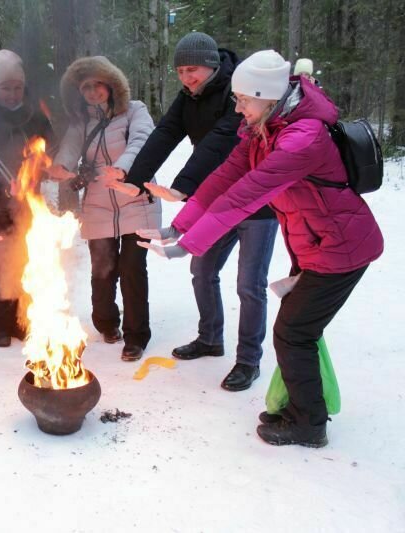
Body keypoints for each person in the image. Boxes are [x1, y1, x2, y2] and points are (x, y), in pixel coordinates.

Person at [138, 50, 383, 447]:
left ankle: (309, 424)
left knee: (294, 333)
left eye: (242, 100)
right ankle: (300, 408)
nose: (238, 108)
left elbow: (244, 196)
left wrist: (190, 245)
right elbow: (223, 179)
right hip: (319, 245)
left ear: (266, 97)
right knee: (296, 330)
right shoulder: (263, 129)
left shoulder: (301, 139)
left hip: (342, 249)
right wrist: (179, 225)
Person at [107, 32, 277, 392]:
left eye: (193, 70)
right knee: (202, 270)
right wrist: (136, 180)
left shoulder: (239, 92)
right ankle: (210, 338)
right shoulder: (188, 97)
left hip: (258, 203)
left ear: (212, 65)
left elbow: (220, 141)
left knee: (249, 285)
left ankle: (248, 361)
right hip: (217, 200)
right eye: (180, 71)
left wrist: (183, 186)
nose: (187, 78)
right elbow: (164, 134)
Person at [46, 56, 159, 361]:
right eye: (86, 87)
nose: (93, 92)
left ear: (112, 85)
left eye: (98, 84)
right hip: (98, 202)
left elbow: (142, 141)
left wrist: (122, 169)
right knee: (102, 268)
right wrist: (61, 166)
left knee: (132, 268)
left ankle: (136, 336)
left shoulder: (135, 110)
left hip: (136, 198)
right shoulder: (81, 122)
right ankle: (107, 323)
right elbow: (70, 148)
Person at [0, 49, 55, 347]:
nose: (12, 94)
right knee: (2, 259)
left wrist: (51, 167)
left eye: (17, 87)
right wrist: (14, 182)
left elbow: (49, 143)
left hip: (28, 196)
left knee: (26, 255)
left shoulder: (33, 110)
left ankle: (20, 319)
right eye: (6, 88)